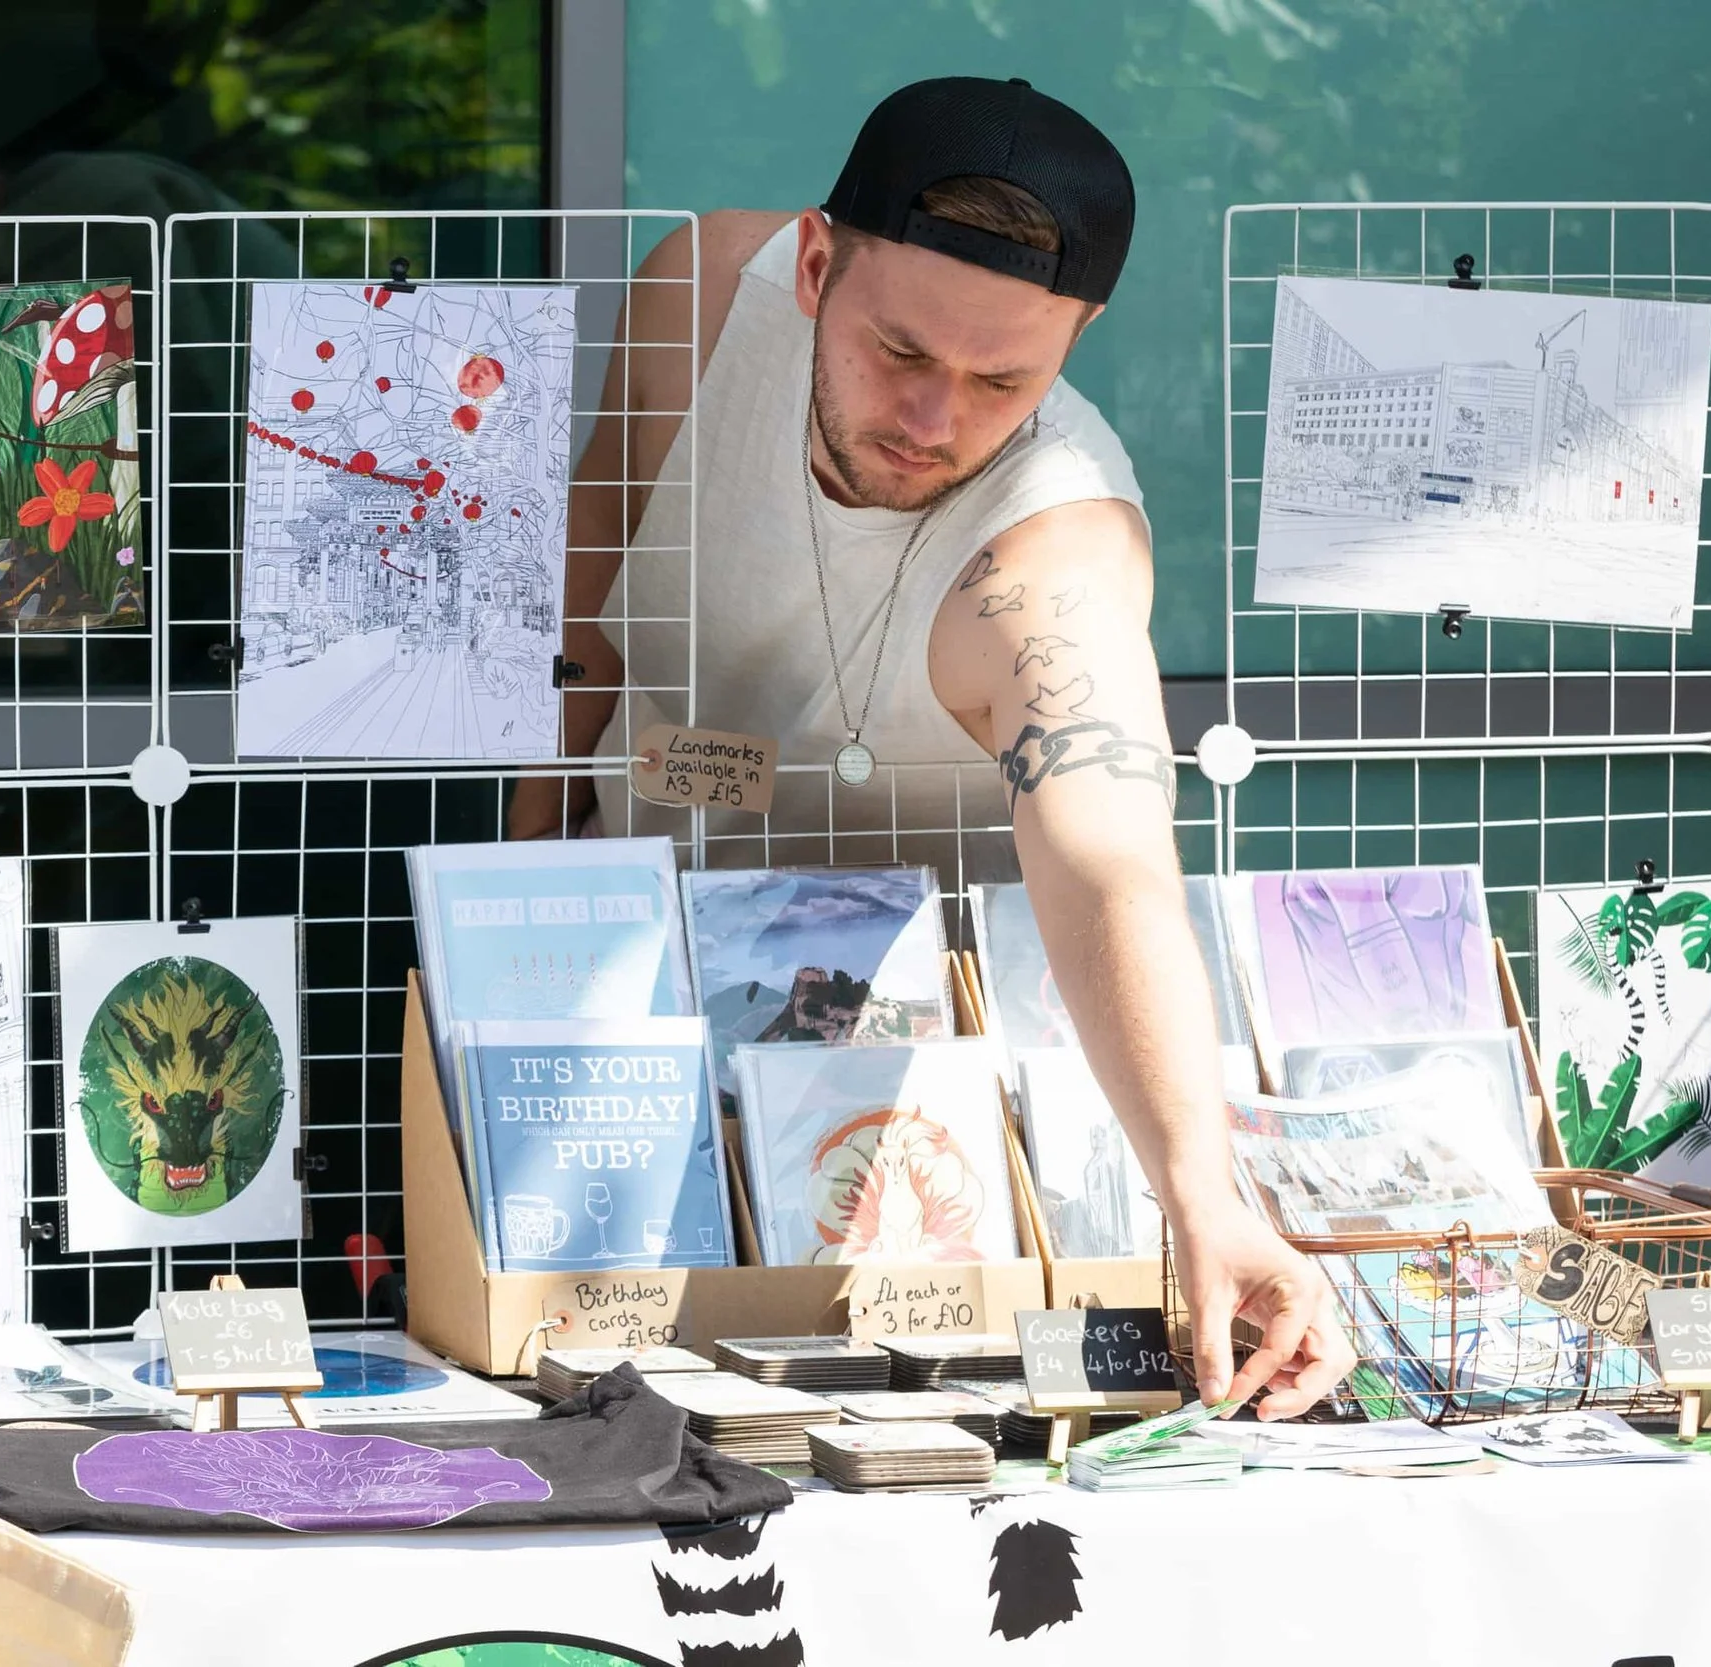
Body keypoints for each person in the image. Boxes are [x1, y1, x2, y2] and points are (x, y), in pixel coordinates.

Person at [509, 76, 1352, 1418]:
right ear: (814, 260)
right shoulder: (707, 294)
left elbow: (1112, 857)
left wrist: (1201, 1190)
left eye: (1004, 379)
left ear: (1078, 341)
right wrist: (499, 927)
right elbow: (584, 616)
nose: (935, 419)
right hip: (624, 1031)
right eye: (901, 352)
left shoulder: (1056, 540)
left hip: (912, 1114)